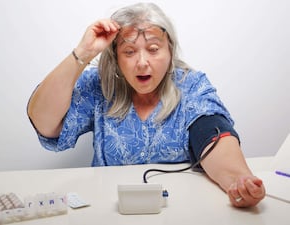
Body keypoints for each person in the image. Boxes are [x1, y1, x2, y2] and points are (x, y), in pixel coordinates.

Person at [27, 2, 265, 208]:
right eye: (129, 51)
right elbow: (45, 123)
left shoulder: (191, 85)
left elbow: (213, 134)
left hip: (181, 209)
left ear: (170, 51)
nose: (142, 62)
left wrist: (239, 180)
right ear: (116, 59)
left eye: (153, 49)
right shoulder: (99, 85)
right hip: (109, 211)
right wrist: (83, 53)